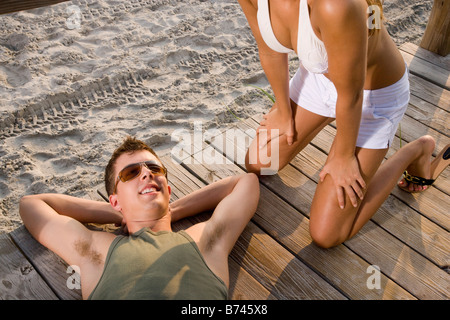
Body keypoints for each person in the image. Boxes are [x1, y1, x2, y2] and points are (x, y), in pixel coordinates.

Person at [238, 0, 448, 248]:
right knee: (259, 162)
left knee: (326, 234)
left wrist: (344, 157)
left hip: (372, 96)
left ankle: (417, 150)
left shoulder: (335, 5)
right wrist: (284, 112)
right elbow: (270, 50)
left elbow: (352, 94)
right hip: (318, 81)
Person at [19, 136, 260, 299]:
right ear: (115, 199)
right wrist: (119, 212)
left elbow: (246, 182)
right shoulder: (97, 251)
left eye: (155, 169)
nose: (146, 173)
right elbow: (32, 205)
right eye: (131, 173)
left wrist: (171, 210)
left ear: (167, 189)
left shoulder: (204, 241)